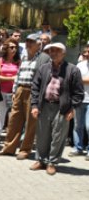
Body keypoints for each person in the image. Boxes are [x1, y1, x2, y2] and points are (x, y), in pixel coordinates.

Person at [31, 43, 84, 175]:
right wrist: (34, 105)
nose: (53, 53)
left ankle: (52, 162)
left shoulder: (72, 69)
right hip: (44, 106)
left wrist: (72, 108)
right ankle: (41, 160)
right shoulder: (43, 68)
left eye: (57, 51)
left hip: (62, 108)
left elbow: (79, 93)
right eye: (51, 51)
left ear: (64, 53)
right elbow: (35, 88)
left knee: (58, 136)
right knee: (42, 135)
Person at [0, 34, 49, 158]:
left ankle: (25, 149)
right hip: (20, 90)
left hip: (32, 92)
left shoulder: (44, 58)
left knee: (30, 122)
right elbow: (18, 75)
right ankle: (9, 148)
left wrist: (39, 97)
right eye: (27, 41)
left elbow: (45, 78)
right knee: (14, 120)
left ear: (38, 44)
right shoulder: (24, 57)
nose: (28, 44)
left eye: (32, 42)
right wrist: (15, 91)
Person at [0, 38, 21, 144]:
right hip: (2, 92)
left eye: (15, 47)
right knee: (0, 113)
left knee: (13, 115)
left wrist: (10, 78)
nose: (14, 49)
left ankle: (11, 137)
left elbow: (20, 77)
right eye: (11, 47)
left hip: (14, 93)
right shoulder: (1, 61)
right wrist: (12, 78)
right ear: (6, 48)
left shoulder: (18, 62)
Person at [70, 44, 89, 158]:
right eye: (85, 52)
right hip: (79, 99)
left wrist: (79, 80)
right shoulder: (80, 65)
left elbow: (78, 80)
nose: (86, 54)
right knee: (77, 126)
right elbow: (73, 80)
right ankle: (78, 148)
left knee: (88, 126)